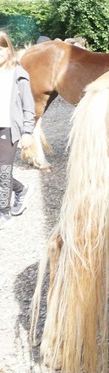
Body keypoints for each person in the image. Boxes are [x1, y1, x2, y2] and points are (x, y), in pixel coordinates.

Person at [0, 31, 35, 230]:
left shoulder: (19, 73)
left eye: (0, 49)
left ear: (8, 48)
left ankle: (4, 212)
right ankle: (21, 190)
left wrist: (27, 131)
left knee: (3, 170)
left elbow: (28, 105)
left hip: (8, 128)